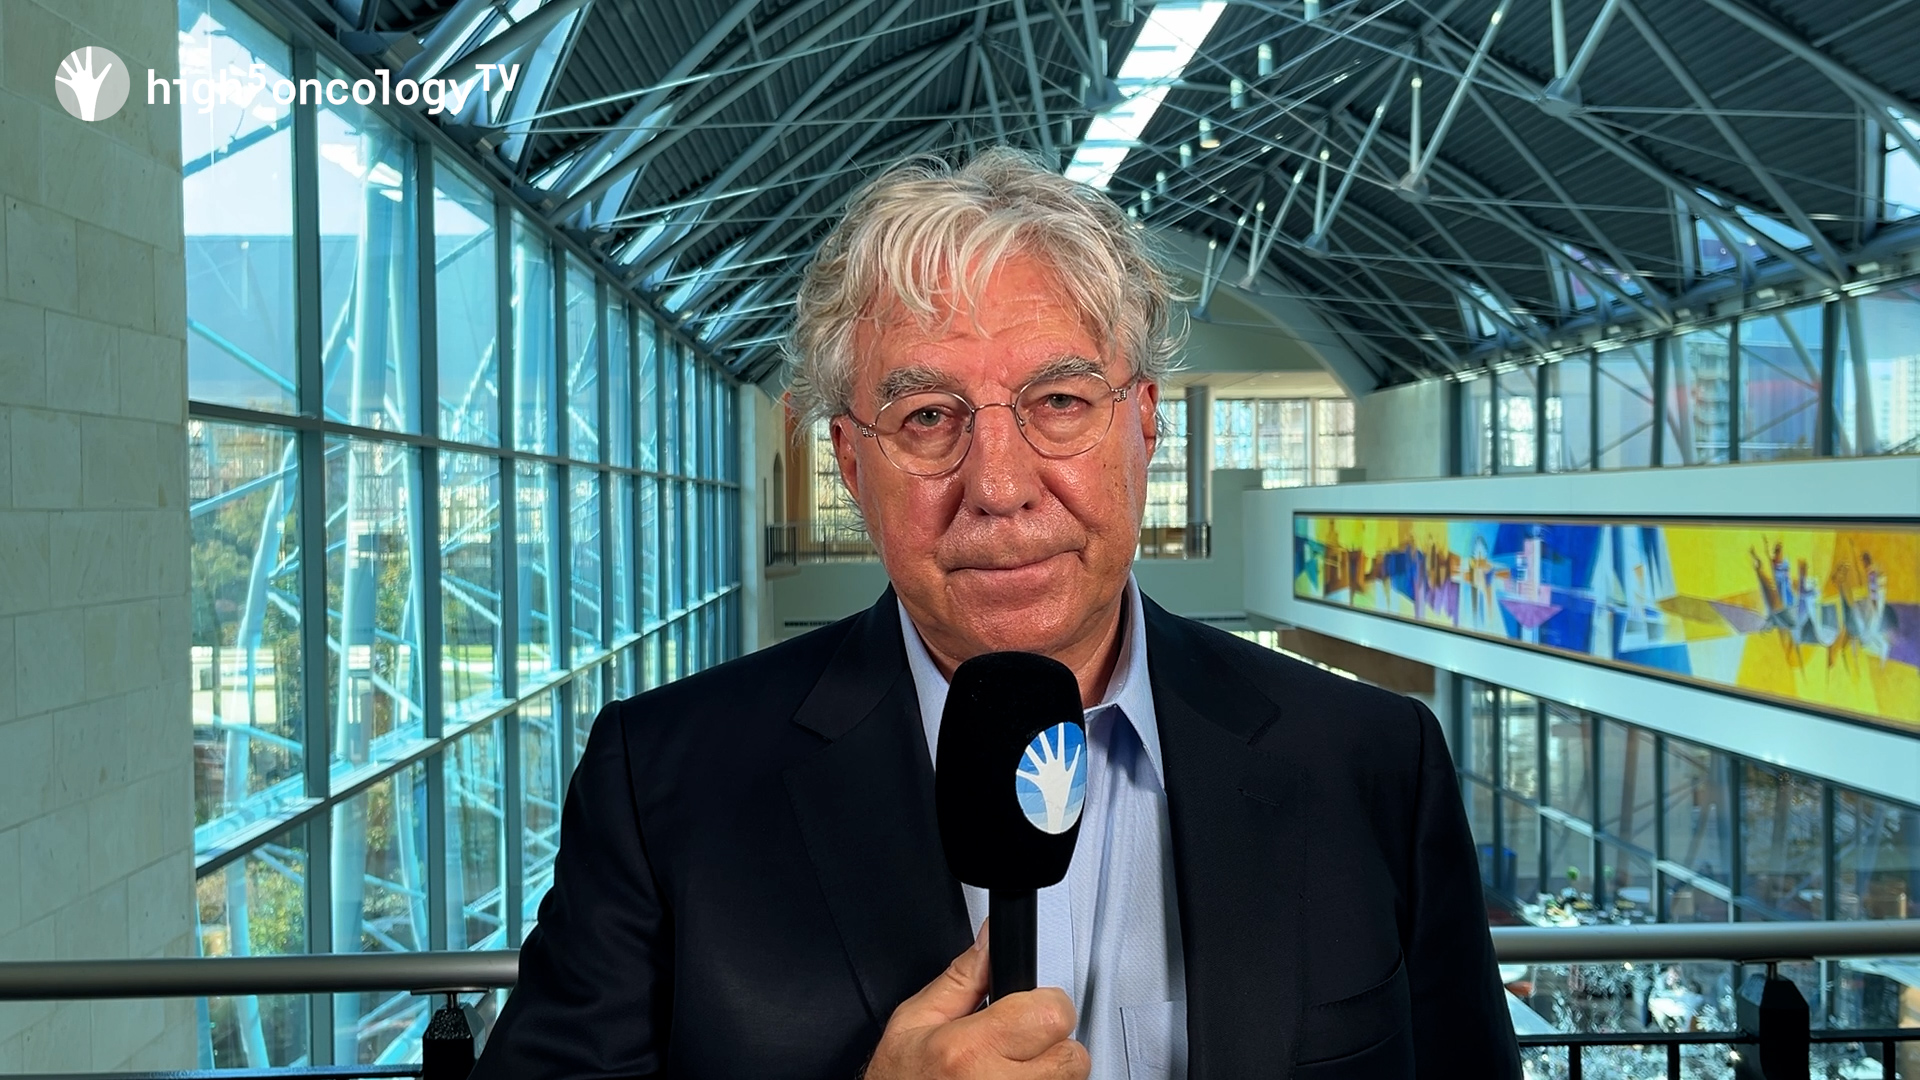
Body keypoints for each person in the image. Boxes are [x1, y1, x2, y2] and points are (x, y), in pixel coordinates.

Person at [470, 148, 1521, 1080]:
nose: (1001, 487)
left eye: (1060, 403)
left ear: (1143, 424)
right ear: (850, 463)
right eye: (928, 417)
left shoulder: (1370, 764)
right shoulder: (665, 784)